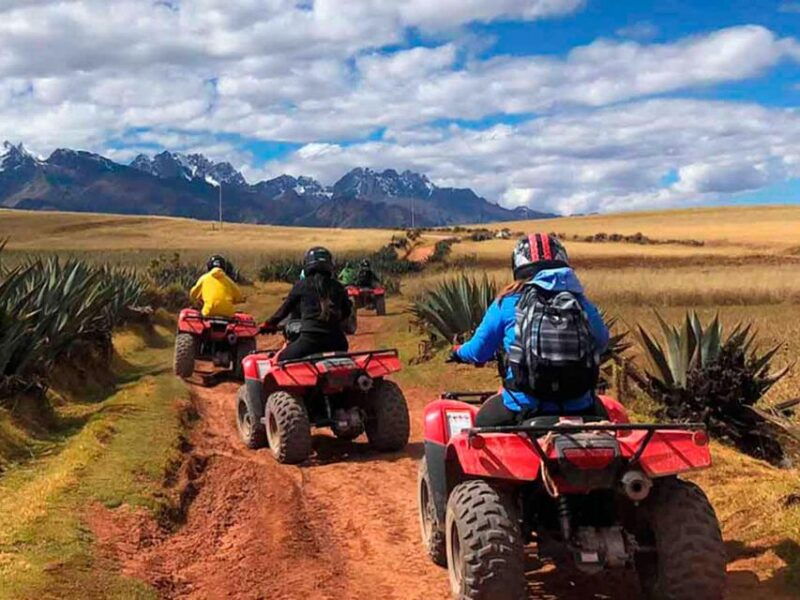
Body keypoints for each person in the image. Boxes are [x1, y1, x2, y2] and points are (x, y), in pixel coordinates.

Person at [448, 233, 609, 427]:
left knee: (482, 423)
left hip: (522, 408)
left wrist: (458, 352)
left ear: (518, 267)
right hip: (580, 407)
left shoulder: (507, 303)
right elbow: (601, 342)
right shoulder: (581, 303)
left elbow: (478, 351)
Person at [261, 247, 353, 360]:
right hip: (338, 343)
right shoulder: (338, 286)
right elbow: (347, 311)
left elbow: (284, 310)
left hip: (309, 343)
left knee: (279, 361)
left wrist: (268, 324)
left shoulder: (301, 285)